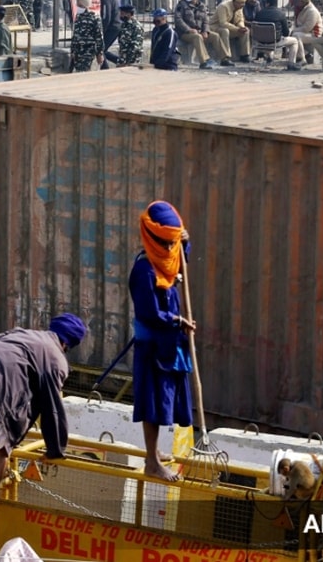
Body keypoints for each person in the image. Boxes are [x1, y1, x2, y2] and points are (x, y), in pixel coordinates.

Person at [0, 313, 87, 520]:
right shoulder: (57, 360)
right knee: (2, 451)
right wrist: (55, 449)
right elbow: (52, 407)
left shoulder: (25, 333)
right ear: (67, 344)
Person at [129, 201, 194, 482]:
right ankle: (152, 461)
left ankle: (154, 452)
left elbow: (180, 260)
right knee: (152, 403)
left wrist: (184, 244)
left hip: (170, 346)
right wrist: (177, 320)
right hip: (152, 348)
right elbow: (150, 312)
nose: (169, 249)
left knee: (166, 401)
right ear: (152, 238)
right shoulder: (144, 271)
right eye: (165, 243)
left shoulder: (166, 261)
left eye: (172, 243)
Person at [253, 0, 302, 70]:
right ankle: (291, 63)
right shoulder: (281, 14)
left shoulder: (259, 13)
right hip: (274, 42)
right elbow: (286, 33)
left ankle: (269, 57)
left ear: (267, 4)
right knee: (294, 41)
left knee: (268, 36)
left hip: (260, 42)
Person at [174, 0, 214, 69]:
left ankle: (225, 58)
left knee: (215, 36)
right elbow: (178, 20)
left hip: (198, 31)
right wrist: (189, 29)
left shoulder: (202, 6)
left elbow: (205, 21)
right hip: (184, 33)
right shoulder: (181, 5)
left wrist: (205, 31)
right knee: (197, 37)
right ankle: (204, 62)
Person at [210, 0, 250, 65]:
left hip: (231, 27)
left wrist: (242, 27)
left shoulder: (239, 8)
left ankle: (245, 55)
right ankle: (225, 57)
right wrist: (237, 29)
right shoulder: (223, 6)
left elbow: (240, 20)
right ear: (234, 2)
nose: (243, 5)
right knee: (225, 31)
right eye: (240, 3)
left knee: (246, 31)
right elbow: (223, 23)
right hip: (215, 27)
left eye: (243, 3)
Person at [70, 0, 101, 71]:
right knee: (78, 70)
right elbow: (75, 35)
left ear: (84, 5)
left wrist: (100, 53)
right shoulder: (78, 17)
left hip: (88, 50)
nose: (77, 7)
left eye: (79, 5)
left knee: (84, 70)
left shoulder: (94, 17)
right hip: (78, 50)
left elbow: (99, 36)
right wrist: (72, 50)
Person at [293, 0, 322, 65]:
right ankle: (300, 56)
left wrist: (294, 30)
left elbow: (307, 28)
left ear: (303, 2)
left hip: (314, 34)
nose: (297, 2)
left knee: (296, 35)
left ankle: (302, 59)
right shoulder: (300, 9)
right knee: (292, 36)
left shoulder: (312, 11)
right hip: (305, 33)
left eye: (299, 1)